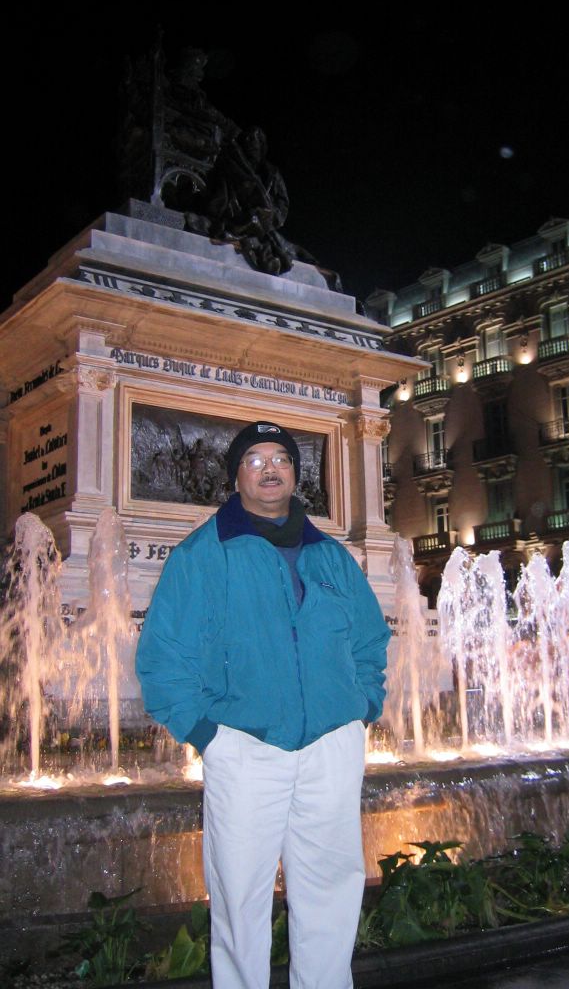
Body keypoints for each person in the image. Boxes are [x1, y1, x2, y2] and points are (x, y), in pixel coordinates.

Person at [135, 420, 390, 989]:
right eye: (255, 460)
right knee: (239, 897)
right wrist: (208, 734)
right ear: (236, 477)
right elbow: (163, 656)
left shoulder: (331, 555)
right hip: (245, 745)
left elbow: (370, 640)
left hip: (332, 742)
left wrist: (364, 705)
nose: (270, 469)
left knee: (332, 889)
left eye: (281, 459)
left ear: (295, 474)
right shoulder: (202, 555)